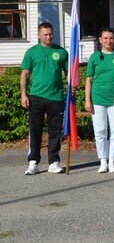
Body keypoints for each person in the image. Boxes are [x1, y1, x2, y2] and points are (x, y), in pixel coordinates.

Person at [20, 22, 68, 175]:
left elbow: (69, 74)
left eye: (51, 34)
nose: (49, 37)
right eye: (45, 34)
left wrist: (72, 89)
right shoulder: (31, 52)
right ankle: (33, 162)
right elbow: (25, 74)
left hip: (56, 97)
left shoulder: (61, 52)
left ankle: (54, 162)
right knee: (35, 130)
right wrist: (23, 94)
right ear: (39, 35)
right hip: (36, 97)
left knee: (55, 131)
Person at [84, 27, 114, 173]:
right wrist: (87, 100)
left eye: (111, 38)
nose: (108, 41)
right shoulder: (94, 57)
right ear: (100, 40)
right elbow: (88, 80)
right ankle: (103, 161)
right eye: (105, 38)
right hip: (98, 99)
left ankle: (112, 161)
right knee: (100, 131)